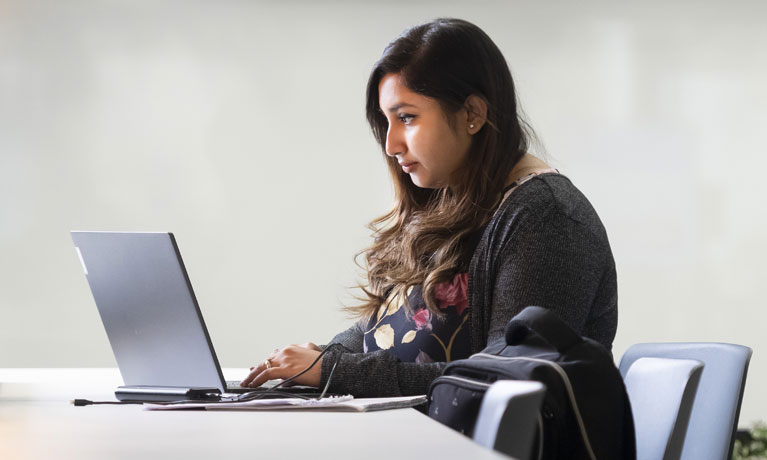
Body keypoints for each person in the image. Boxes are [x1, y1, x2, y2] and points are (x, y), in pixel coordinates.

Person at [240, 18, 617, 397]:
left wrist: (334, 371)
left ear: (473, 114)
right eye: (386, 121)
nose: (391, 144)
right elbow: (376, 334)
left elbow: (509, 381)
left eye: (406, 118)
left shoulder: (546, 217)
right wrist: (314, 360)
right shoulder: (447, 203)